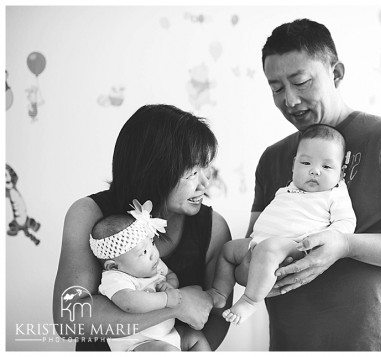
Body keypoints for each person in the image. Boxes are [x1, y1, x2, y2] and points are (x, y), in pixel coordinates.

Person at [243, 18, 381, 351]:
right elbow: (249, 259)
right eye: (276, 88)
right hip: (287, 343)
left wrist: (346, 245)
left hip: (368, 342)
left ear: (336, 73)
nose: (290, 100)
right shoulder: (273, 158)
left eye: (301, 82)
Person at [53, 104, 232, 351]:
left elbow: (214, 318)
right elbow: (70, 318)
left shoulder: (214, 228)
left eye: (206, 166)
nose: (205, 182)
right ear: (154, 171)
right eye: (192, 172)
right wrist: (176, 304)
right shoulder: (88, 214)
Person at [208, 124, 356, 325]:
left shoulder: (335, 193)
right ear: (294, 165)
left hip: (295, 244)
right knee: (228, 250)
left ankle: (251, 301)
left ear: (341, 173)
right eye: (305, 163)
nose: (314, 171)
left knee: (269, 250)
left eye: (327, 166)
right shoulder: (289, 187)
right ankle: (219, 292)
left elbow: (346, 222)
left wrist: (326, 239)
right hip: (259, 242)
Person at [89, 200, 210, 351]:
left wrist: (171, 285)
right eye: (143, 252)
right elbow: (128, 302)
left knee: (195, 337)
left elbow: (170, 274)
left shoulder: (153, 264)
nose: (153, 254)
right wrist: (165, 299)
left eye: (151, 244)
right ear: (114, 265)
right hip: (138, 343)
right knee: (168, 352)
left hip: (167, 333)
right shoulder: (115, 278)